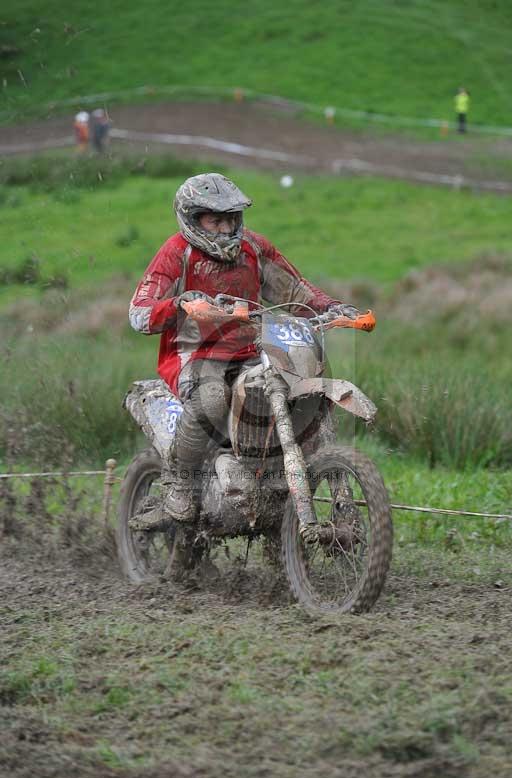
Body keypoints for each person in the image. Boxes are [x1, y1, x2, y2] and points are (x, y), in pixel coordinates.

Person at [129, 172, 358, 528]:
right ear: (192, 219)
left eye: (231, 218)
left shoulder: (253, 247)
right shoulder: (177, 254)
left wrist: (330, 307)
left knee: (305, 390)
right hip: (194, 357)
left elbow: (294, 291)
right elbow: (139, 312)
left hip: (256, 351)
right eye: (215, 220)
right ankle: (179, 481)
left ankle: (306, 482)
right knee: (213, 396)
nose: (225, 228)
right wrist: (178, 304)